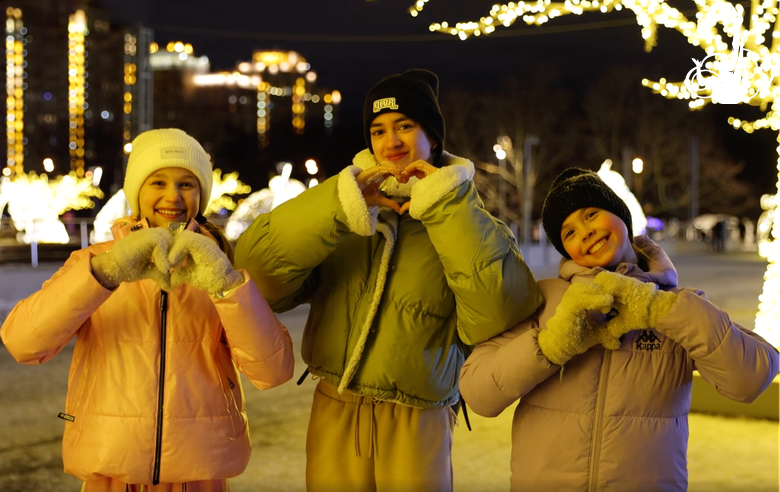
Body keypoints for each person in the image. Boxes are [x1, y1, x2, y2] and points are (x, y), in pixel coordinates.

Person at [233, 69, 541, 492]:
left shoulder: (470, 224)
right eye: (378, 130)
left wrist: (447, 208)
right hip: (335, 407)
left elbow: (498, 315)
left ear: (433, 138)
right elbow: (259, 273)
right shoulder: (345, 217)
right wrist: (340, 207)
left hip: (418, 418)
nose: (390, 141)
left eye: (405, 126)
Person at [0, 128, 295, 492]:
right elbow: (23, 343)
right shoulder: (92, 262)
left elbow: (273, 371)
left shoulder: (222, 268)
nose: (172, 196)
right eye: (158, 182)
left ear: (201, 194)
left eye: (187, 184)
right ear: (137, 191)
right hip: (111, 468)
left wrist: (226, 284)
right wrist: (105, 273)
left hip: (199, 468)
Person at [459, 167, 780, 492]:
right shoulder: (543, 299)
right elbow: (478, 394)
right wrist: (550, 344)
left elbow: (751, 378)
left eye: (591, 214)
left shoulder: (679, 307)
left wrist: (659, 309)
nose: (584, 232)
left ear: (622, 217)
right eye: (568, 233)